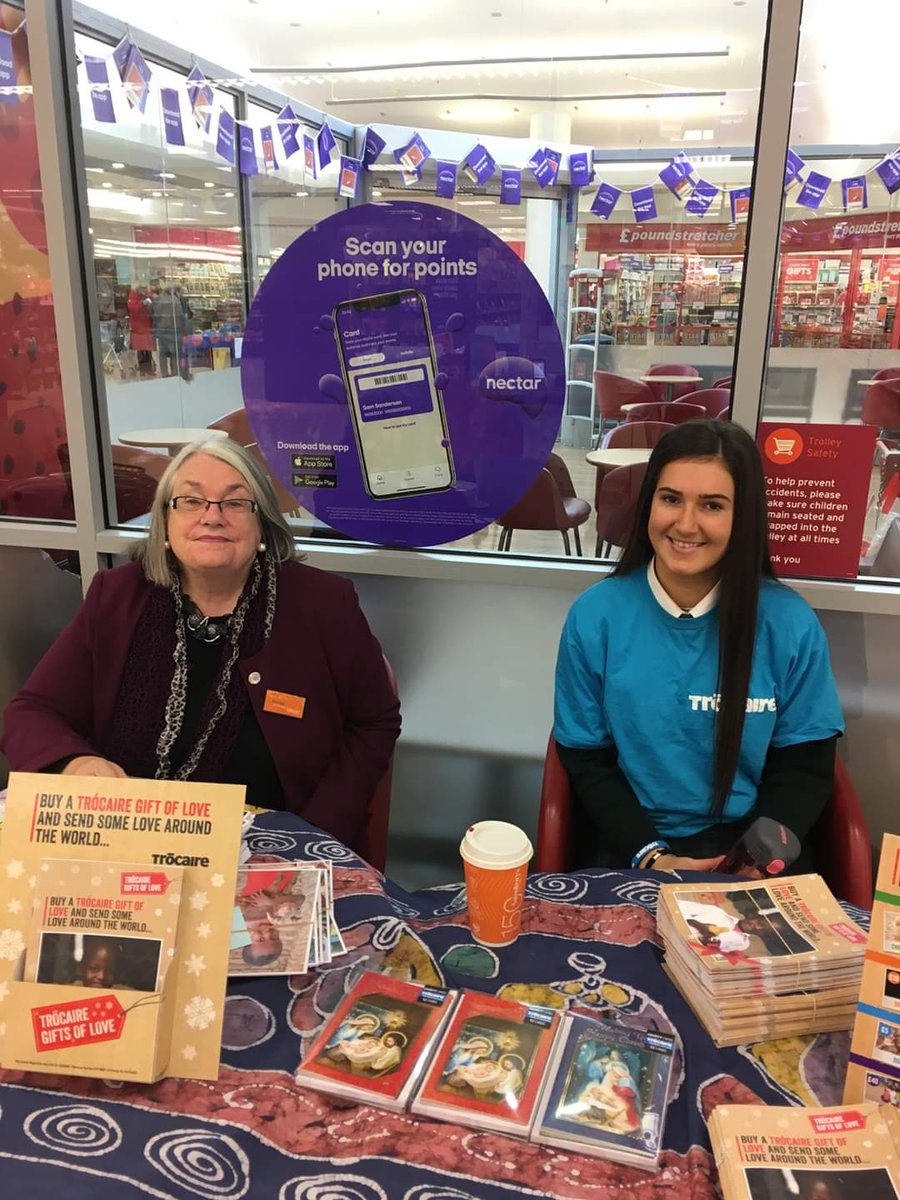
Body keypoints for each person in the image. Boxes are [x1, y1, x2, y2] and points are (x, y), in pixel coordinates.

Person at [1, 438, 401, 851]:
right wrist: (74, 763)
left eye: (235, 502)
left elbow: (374, 722)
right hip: (126, 845)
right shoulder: (116, 597)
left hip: (271, 852)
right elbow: (33, 711)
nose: (212, 517)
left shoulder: (323, 603)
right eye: (191, 500)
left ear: (261, 523)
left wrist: (315, 832)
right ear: (165, 522)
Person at [554, 419, 843, 872]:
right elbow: (588, 760)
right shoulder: (596, 616)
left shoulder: (790, 624)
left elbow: (805, 767)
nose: (685, 524)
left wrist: (754, 857)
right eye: (670, 499)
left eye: (712, 505)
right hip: (631, 841)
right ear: (648, 501)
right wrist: (655, 856)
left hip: (751, 846)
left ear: (742, 515)